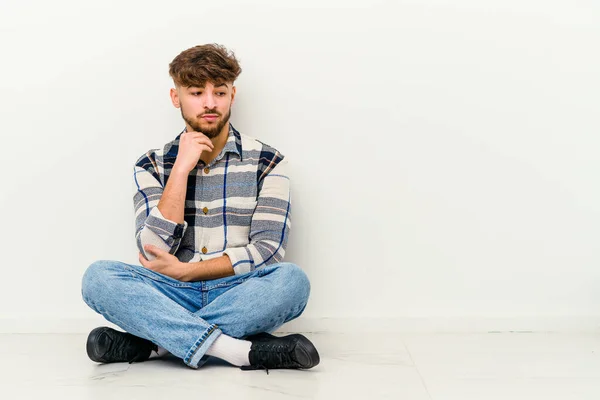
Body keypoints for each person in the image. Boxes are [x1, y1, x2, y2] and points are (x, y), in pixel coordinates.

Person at [81, 43, 319, 373]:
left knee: (292, 282)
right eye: (196, 92)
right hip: (169, 293)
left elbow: (268, 250)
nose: (209, 103)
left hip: (237, 291)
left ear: (232, 96)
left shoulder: (269, 162)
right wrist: (180, 169)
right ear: (176, 97)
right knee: (98, 278)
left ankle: (156, 345)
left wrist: (189, 270)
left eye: (219, 92)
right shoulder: (151, 164)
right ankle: (239, 351)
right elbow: (154, 251)